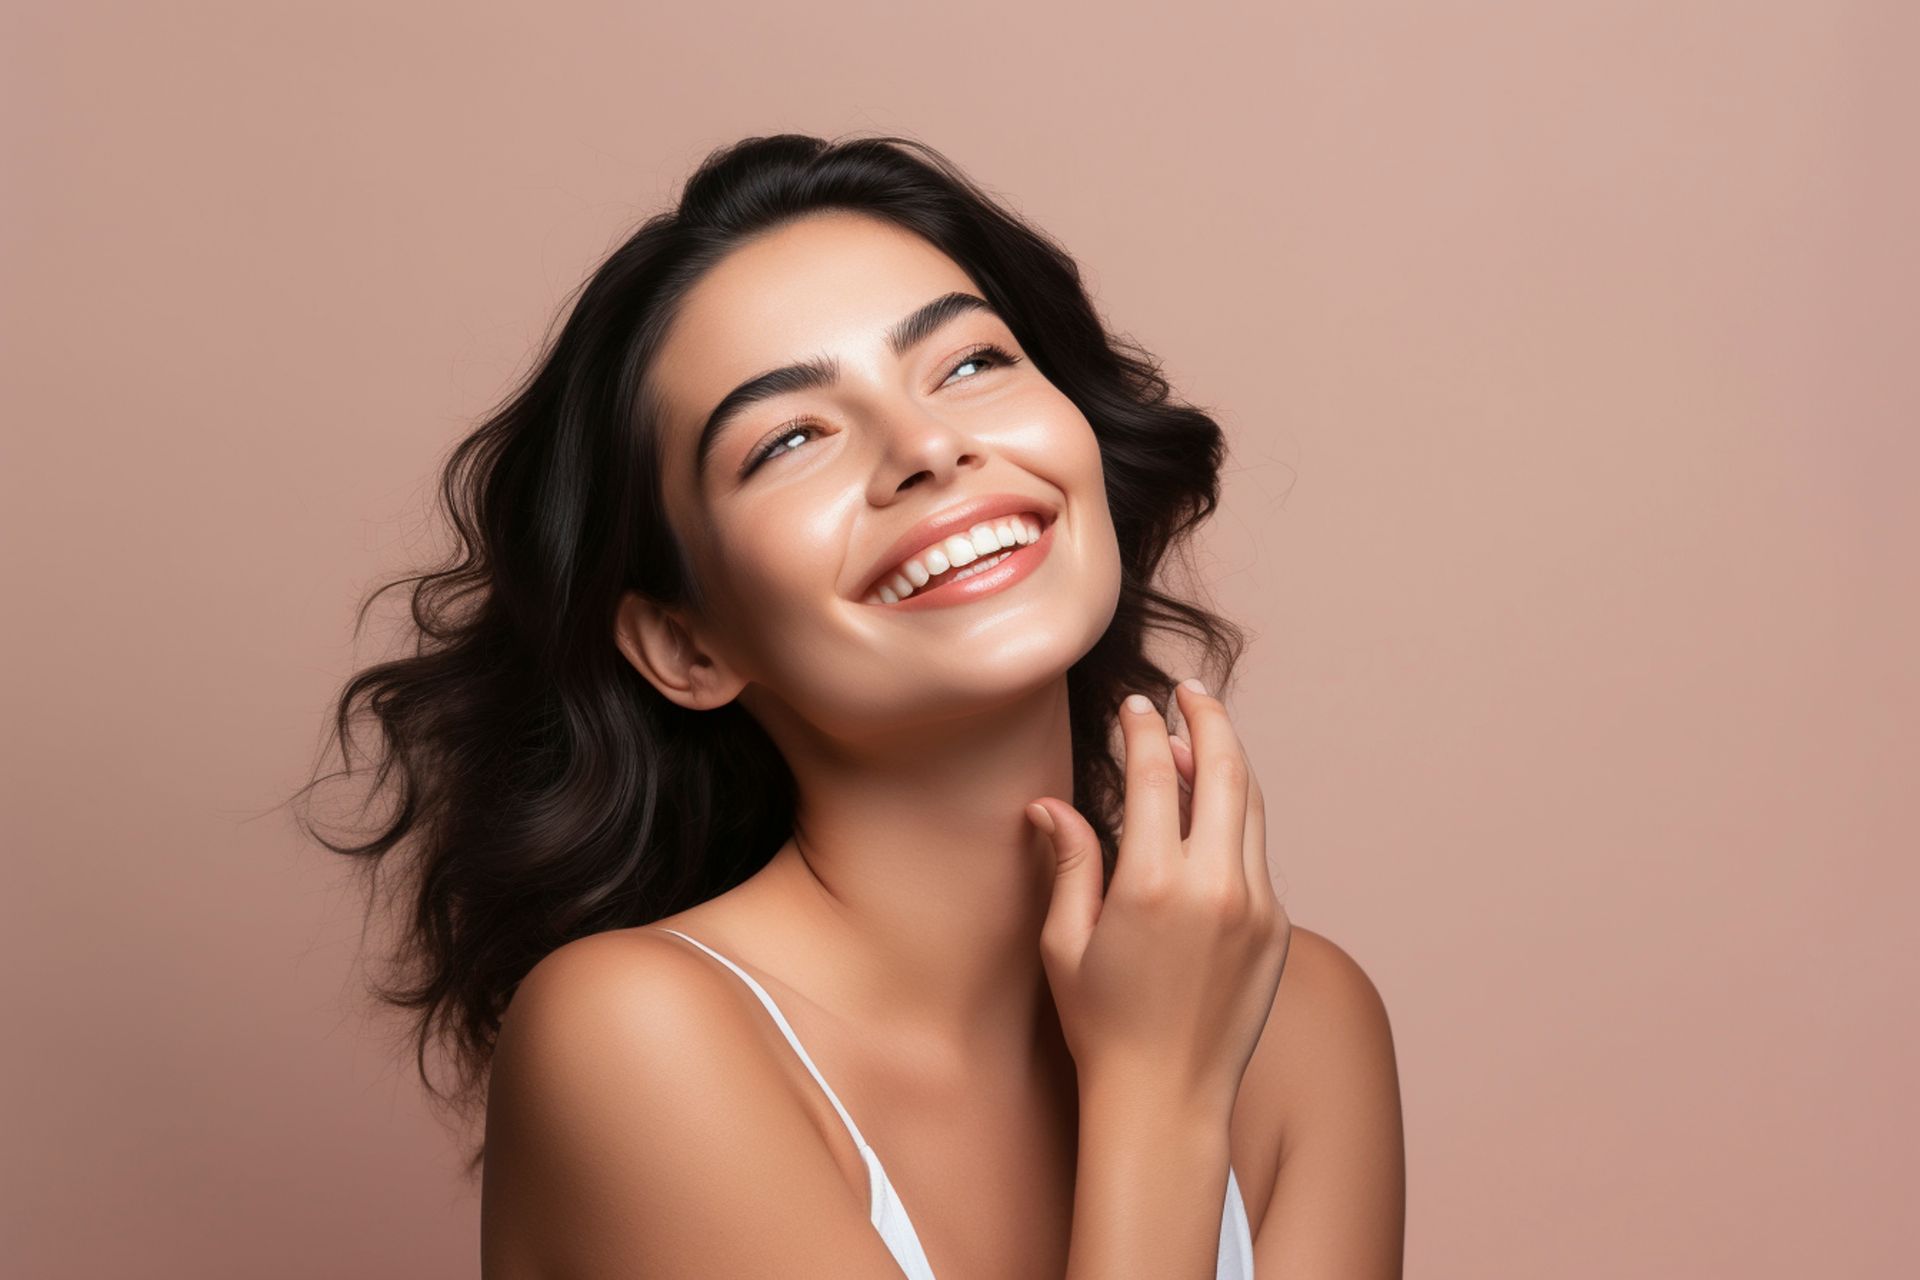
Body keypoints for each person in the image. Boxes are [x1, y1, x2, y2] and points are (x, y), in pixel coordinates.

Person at [299, 132, 1405, 1278]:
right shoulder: (633, 1035)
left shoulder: (1304, 1024)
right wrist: (1159, 1093)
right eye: (789, 438)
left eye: (971, 364)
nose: (928, 446)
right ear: (685, 643)